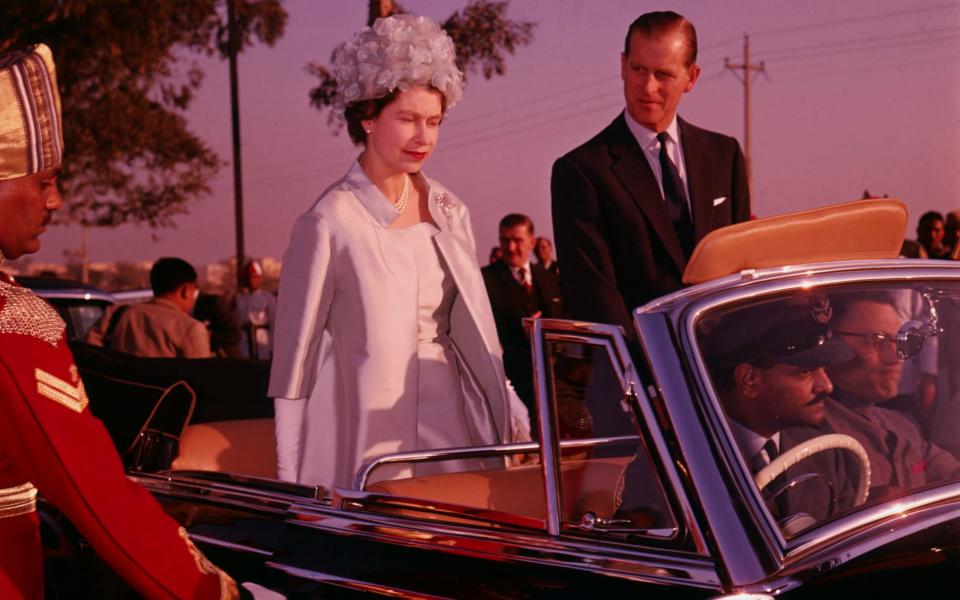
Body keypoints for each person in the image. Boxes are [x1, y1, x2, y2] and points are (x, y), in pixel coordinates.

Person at [0, 43, 239, 599]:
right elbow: (98, 498)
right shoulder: (15, 328)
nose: (55, 200)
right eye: (43, 180)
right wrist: (217, 593)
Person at [269, 15, 530, 489]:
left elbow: (471, 330)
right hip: (363, 432)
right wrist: (291, 481)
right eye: (407, 119)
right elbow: (293, 367)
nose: (423, 138)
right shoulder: (328, 221)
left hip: (450, 425)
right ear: (368, 117)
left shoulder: (450, 211)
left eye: (433, 122)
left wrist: (511, 405)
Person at [551, 11, 749, 340]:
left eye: (663, 74)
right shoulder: (581, 171)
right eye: (638, 69)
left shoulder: (724, 155)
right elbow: (594, 295)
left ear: (692, 77)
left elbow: (740, 268)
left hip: (721, 365)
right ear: (622, 65)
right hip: (637, 373)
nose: (648, 87)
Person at [703, 300, 858, 522]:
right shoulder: (688, 467)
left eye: (824, 369)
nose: (827, 385)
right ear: (749, 380)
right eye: (805, 371)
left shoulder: (823, 451)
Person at [825, 293, 960, 498]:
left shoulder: (903, 426)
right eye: (877, 340)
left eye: (899, 341)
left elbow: (950, 473)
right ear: (829, 342)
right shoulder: (816, 441)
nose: (896, 357)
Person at [482, 214, 565, 419]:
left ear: (531, 242)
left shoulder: (549, 278)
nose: (510, 248)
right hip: (510, 382)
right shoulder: (485, 280)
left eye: (517, 241)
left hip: (553, 382)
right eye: (505, 240)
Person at [86, 257, 212, 358]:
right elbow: (201, 381)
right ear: (186, 290)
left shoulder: (116, 314)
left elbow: (91, 354)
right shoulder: (191, 329)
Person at [236, 259, 277, 359]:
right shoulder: (239, 299)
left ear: (260, 278)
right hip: (244, 344)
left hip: (262, 343)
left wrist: (273, 348)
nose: (251, 280)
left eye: (254, 277)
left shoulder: (268, 299)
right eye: (249, 277)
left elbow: (274, 324)